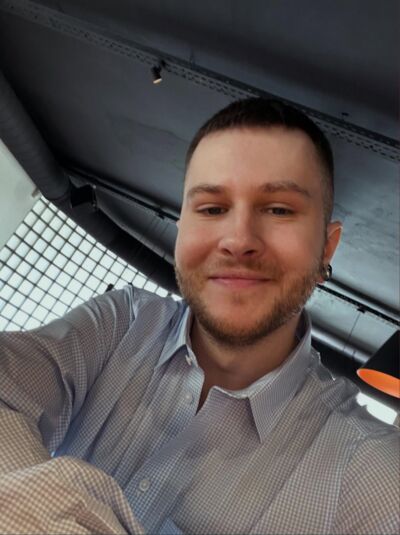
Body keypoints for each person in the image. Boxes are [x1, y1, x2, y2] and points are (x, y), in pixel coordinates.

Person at [0, 98, 398, 535]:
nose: (238, 239)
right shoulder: (122, 323)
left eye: (279, 209)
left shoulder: (373, 474)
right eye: (211, 208)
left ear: (327, 247)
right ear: (181, 229)